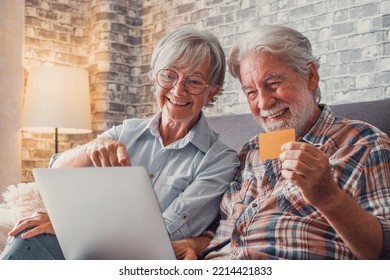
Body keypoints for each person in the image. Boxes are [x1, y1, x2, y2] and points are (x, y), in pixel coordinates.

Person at [1, 26, 240, 260]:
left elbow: (166, 232)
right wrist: (89, 148)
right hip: (88, 248)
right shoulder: (127, 131)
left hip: (137, 259)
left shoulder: (219, 159)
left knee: (33, 239)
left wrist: (70, 226)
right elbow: (55, 173)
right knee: (28, 233)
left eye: (195, 81)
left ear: (212, 92)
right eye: (169, 75)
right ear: (155, 79)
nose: (178, 89)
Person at [173, 24, 390, 260]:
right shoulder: (252, 152)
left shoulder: (363, 144)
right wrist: (197, 244)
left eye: (273, 84)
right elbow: (228, 224)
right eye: (251, 92)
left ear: (311, 76)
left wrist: (330, 198)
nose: (264, 103)